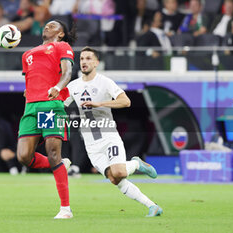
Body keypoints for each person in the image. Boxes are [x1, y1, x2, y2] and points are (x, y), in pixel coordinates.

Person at [64, 46, 163, 217]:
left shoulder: (105, 82)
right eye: (82, 59)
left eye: (88, 59)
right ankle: (153, 206)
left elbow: (126, 101)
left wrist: (100, 104)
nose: (84, 62)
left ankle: (137, 164)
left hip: (109, 136)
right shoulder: (73, 86)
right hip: (91, 143)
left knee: (119, 172)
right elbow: (59, 104)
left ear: (96, 63)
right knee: (115, 179)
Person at [17, 20, 76, 219]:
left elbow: (67, 72)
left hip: (52, 104)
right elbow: (31, 78)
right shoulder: (27, 54)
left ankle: (65, 209)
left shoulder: (62, 46)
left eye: (53, 25)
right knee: (24, 156)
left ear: (61, 34)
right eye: (46, 25)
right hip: (31, 106)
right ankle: (60, 163)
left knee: (52, 153)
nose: (47, 27)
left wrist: (58, 87)